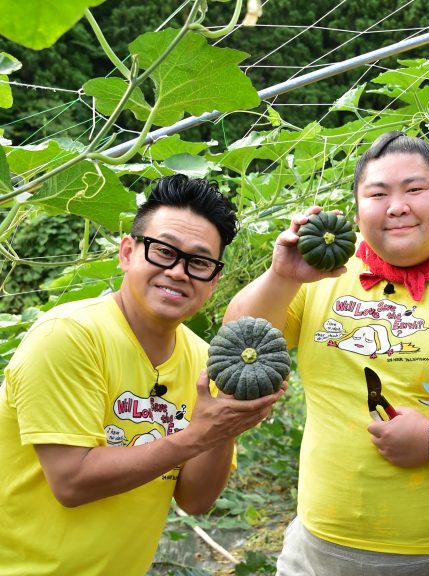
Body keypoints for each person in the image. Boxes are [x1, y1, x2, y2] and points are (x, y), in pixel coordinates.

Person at [224, 131, 429, 576]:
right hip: (318, 546)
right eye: (378, 194)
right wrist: (282, 276)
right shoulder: (323, 268)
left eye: (415, 189)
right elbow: (237, 347)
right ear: (358, 207)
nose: (397, 206)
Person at [0, 174, 283, 576]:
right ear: (128, 252)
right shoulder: (68, 337)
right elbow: (71, 482)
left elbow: (195, 500)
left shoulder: (205, 359)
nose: (179, 272)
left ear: (214, 279)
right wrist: (198, 435)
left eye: (199, 262)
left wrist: (225, 426)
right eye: (164, 251)